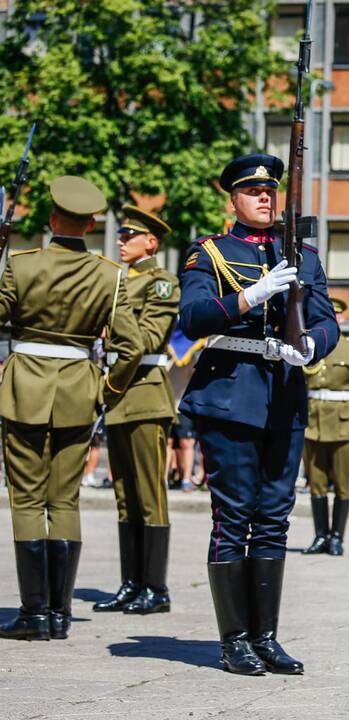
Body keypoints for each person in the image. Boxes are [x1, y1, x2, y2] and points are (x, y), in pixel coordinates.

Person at [178, 153, 339, 675]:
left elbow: (326, 320)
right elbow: (194, 317)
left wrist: (312, 344)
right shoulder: (209, 252)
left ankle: (265, 636)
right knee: (234, 516)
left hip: (285, 395)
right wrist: (250, 296)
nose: (264, 197)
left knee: (274, 518)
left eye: (270, 191)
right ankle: (234, 640)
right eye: (252, 191)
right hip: (229, 396)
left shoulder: (304, 256)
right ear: (233, 199)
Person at [0, 177, 142, 641]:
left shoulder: (20, 266)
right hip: (80, 391)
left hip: (23, 388)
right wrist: (107, 389)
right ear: (91, 223)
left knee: (26, 499)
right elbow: (132, 346)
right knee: (64, 500)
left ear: (53, 218)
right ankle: (60, 615)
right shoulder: (110, 274)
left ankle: (33, 614)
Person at [95, 205, 180, 615]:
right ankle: (131, 584)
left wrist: (117, 298)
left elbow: (147, 339)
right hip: (118, 395)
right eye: (121, 235)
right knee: (124, 495)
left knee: (150, 495)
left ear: (151, 241)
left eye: (130, 235)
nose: (121, 240)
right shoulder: (118, 281)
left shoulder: (162, 283)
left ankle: (156, 587)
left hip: (145, 392)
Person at [301, 298, 349, 557]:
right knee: (316, 484)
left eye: (336, 316)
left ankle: (337, 536)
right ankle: (320, 535)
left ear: (341, 319)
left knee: (342, 485)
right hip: (313, 424)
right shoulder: (308, 347)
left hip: (342, 426)